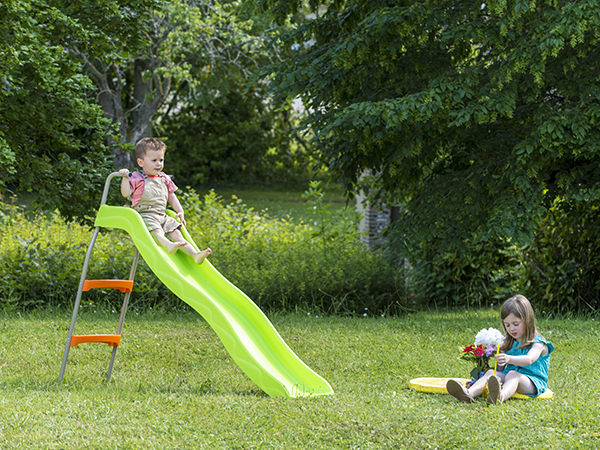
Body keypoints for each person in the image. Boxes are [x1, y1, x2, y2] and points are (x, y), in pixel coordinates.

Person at [447, 294, 554, 404]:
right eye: (507, 325)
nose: (511, 329)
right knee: (490, 373)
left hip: (532, 382)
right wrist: (500, 363)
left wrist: (508, 358)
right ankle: (469, 393)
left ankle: (500, 396)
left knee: (513, 374)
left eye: (515, 324)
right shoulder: (508, 343)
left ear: (527, 321)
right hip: (509, 377)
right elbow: (500, 371)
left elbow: (529, 359)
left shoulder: (538, 342)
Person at [119, 137, 212, 264]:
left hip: (162, 215)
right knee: (156, 231)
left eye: (161, 160)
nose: (159, 164)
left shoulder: (164, 178)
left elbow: (171, 196)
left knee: (176, 233)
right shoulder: (136, 177)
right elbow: (126, 193)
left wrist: (180, 211)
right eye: (154, 160)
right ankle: (168, 245)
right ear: (141, 163)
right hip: (145, 215)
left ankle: (194, 255)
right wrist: (125, 178)